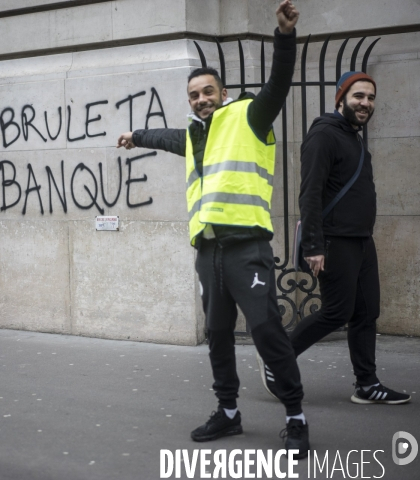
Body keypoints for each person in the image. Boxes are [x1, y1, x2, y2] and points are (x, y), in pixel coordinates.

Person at [117, 0, 310, 457]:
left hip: (248, 249)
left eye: (207, 92)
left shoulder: (249, 116)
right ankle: (228, 412)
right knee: (218, 334)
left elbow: (279, 83)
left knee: (266, 333)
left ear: (222, 92)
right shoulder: (194, 135)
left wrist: (284, 35)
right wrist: (136, 136)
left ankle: (296, 417)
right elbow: (166, 137)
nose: (201, 99)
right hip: (209, 253)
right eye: (193, 95)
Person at [259, 72, 410, 406]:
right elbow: (310, 193)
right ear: (340, 98)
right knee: (336, 311)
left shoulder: (352, 137)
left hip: (360, 239)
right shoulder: (324, 135)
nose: (365, 103)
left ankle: (367, 385)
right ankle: (276, 358)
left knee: (367, 311)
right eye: (358, 96)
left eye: (370, 97)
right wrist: (313, 245)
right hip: (334, 240)